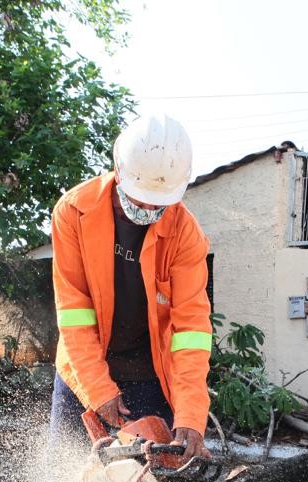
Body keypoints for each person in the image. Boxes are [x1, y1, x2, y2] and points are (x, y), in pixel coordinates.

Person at [49, 113, 212, 462]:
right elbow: (74, 313)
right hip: (83, 369)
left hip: (151, 377)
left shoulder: (185, 234)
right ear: (119, 171)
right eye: (141, 200)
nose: (150, 209)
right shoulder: (74, 213)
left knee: (158, 481)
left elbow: (192, 330)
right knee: (68, 469)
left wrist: (190, 414)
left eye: (159, 202)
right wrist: (98, 389)